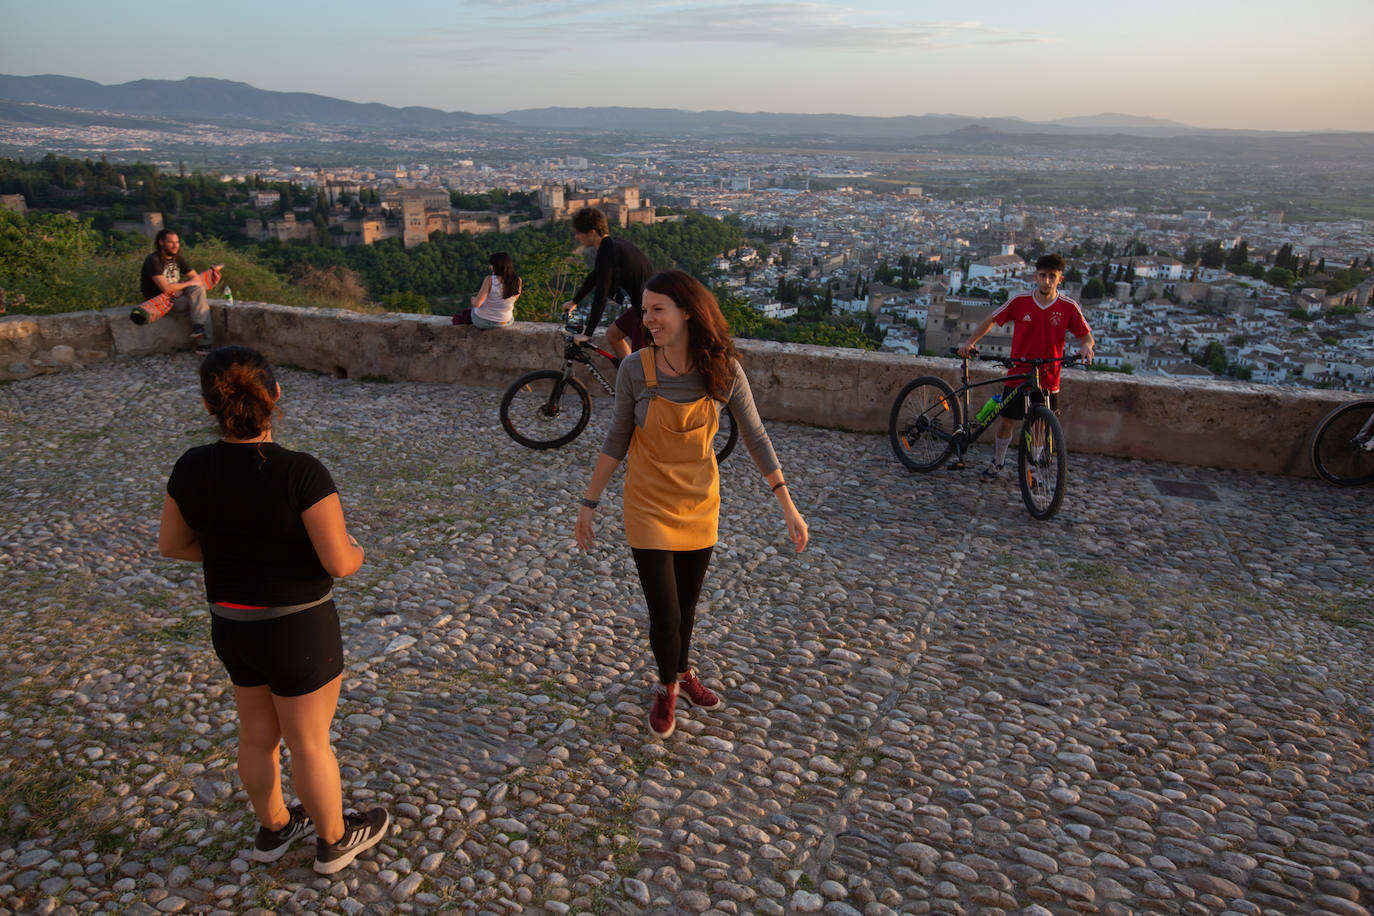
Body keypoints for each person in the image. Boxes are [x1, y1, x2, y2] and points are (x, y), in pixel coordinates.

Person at [158, 346, 389, 874]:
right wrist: (358, 550)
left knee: (256, 738)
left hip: (232, 625)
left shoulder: (191, 466)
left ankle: (276, 828)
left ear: (208, 405)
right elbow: (338, 561)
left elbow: (172, 544)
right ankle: (334, 841)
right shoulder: (299, 472)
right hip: (298, 629)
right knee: (309, 743)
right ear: (276, 396)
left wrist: (225, 553)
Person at [575, 271, 808, 739]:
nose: (648, 319)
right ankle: (667, 686)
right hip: (646, 502)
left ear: (687, 311)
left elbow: (757, 436)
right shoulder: (635, 369)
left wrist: (787, 503)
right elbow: (616, 438)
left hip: (699, 501)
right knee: (665, 612)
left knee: (687, 606)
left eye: (657, 309)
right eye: (644, 310)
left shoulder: (723, 370)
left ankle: (681, 671)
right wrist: (589, 503)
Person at [958, 253, 1094, 480]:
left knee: (1041, 426)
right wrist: (970, 342)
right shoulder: (1019, 302)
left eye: (1052, 277)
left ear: (1060, 279)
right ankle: (998, 462)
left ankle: (1034, 469)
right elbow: (993, 318)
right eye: (1043, 276)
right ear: (1035, 277)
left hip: (1049, 376)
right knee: (1007, 422)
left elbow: (1086, 337)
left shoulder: (1069, 307)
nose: (1047, 281)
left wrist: (1086, 348)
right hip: (1018, 373)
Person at [561, 207, 653, 342]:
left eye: (579, 233)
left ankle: (635, 363)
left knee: (641, 357)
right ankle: (624, 364)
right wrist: (575, 301)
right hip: (644, 303)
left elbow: (601, 296)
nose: (577, 237)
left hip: (648, 309)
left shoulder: (607, 251)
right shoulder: (612, 244)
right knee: (613, 334)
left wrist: (587, 334)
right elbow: (595, 276)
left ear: (592, 232)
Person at [141, 230, 213, 355]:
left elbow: (196, 278)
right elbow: (166, 289)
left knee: (198, 290)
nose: (175, 246)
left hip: (177, 295)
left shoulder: (177, 258)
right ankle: (205, 344)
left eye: (177, 242)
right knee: (198, 303)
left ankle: (199, 327)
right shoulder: (153, 260)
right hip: (163, 301)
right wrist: (183, 286)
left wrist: (180, 287)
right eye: (171, 242)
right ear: (161, 243)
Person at [452, 252, 521, 328]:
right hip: (506, 322)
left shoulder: (489, 280)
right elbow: (513, 299)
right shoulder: (517, 280)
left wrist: (473, 300)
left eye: (492, 265)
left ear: (497, 266)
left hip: (483, 322)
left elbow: (476, 304)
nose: (490, 267)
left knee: (470, 310)